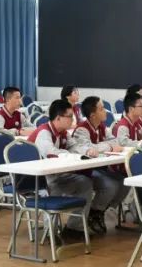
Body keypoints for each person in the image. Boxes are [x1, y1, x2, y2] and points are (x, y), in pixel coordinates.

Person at [27, 99, 94, 232]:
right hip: (38, 180)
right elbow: (52, 154)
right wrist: (73, 155)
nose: (72, 119)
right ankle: (50, 231)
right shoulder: (44, 133)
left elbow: (74, 146)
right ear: (58, 118)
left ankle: (75, 227)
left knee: (85, 182)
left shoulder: (63, 132)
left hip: (54, 175)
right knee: (53, 187)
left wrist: (87, 151)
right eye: (69, 116)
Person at [70, 96, 132, 233]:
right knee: (110, 185)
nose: (106, 111)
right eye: (102, 109)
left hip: (99, 168)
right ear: (93, 115)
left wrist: (102, 146)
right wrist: (107, 147)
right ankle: (94, 211)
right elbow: (89, 149)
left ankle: (104, 210)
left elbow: (116, 142)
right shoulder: (82, 130)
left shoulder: (102, 127)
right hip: (84, 170)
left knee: (125, 181)